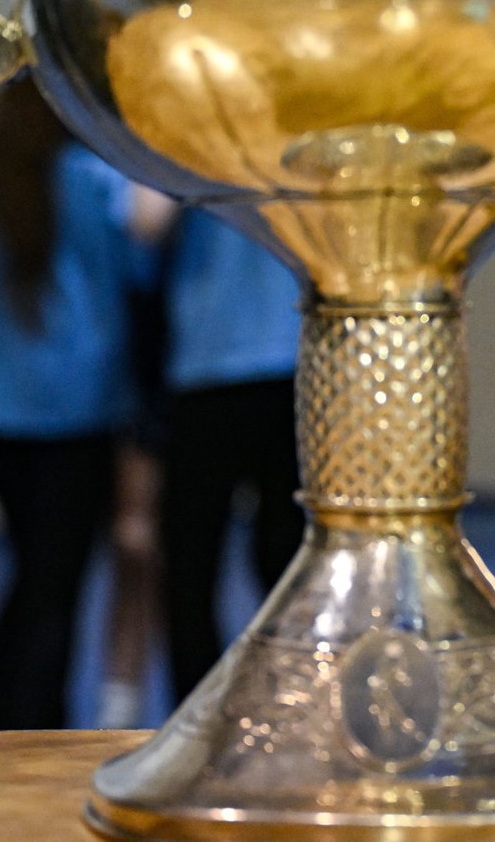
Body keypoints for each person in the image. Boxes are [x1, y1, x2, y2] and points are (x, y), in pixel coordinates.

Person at [0, 75, 162, 730]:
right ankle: (30, 729)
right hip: (77, 406)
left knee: (34, 571)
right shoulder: (93, 175)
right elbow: (138, 270)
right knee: (54, 586)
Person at [159, 207, 305, 703]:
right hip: (252, 363)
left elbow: (142, 225)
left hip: (235, 364)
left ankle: (218, 714)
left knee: (209, 563)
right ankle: (282, 706)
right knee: (268, 559)